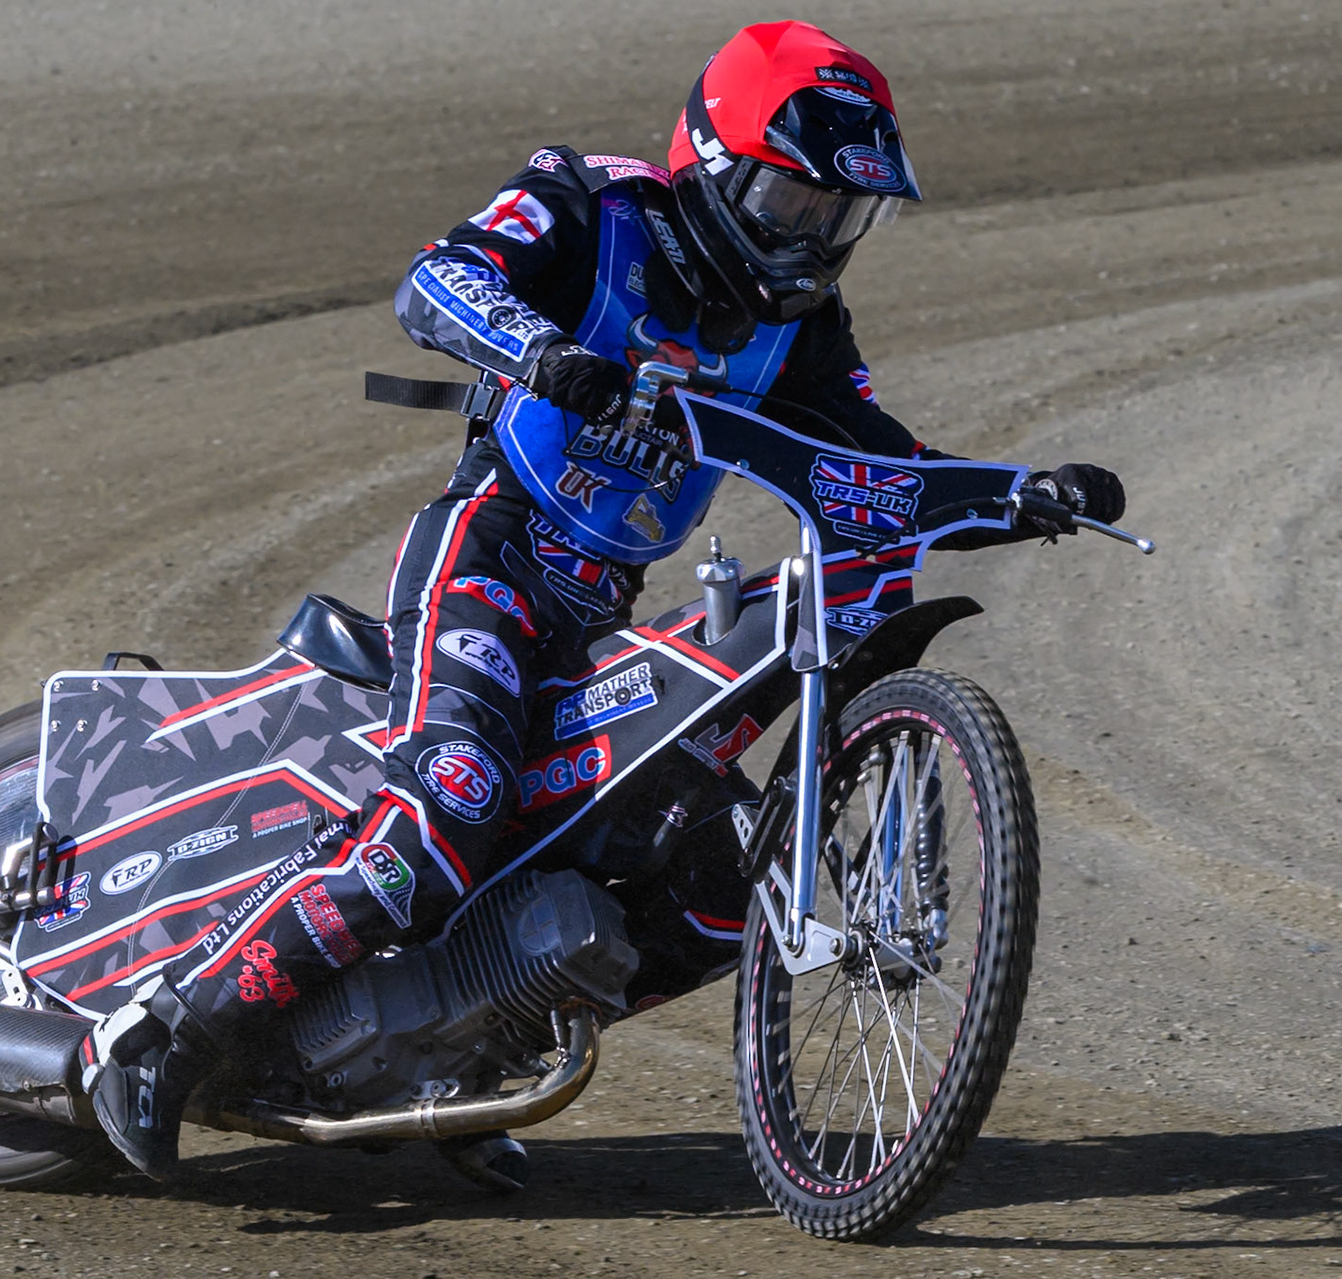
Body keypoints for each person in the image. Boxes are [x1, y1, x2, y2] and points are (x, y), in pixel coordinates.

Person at [79, 19, 1125, 1177]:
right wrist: (542, 353)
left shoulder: (805, 331)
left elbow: (877, 466)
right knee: (450, 808)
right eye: (793, 205)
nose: (812, 241)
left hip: (594, 614)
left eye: (840, 217)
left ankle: (462, 1061)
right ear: (715, 165)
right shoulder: (590, 204)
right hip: (488, 558)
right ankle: (161, 1032)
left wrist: (1023, 490)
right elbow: (437, 280)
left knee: (729, 875)